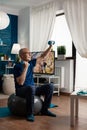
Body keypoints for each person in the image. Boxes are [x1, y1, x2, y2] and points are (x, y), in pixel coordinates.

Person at [13, 44, 56, 122]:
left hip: (32, 88)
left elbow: (42, 56)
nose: (30, 54)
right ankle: (30, 113)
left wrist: (50, 46)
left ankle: (45, 110)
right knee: (31, 87)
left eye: (30, 52)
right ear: (21, 55)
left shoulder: (31, 63)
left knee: (50, 86)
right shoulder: (17, 66)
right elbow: (21, 82)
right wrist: (26, 67)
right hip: (21, 90)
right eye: (27, 53)